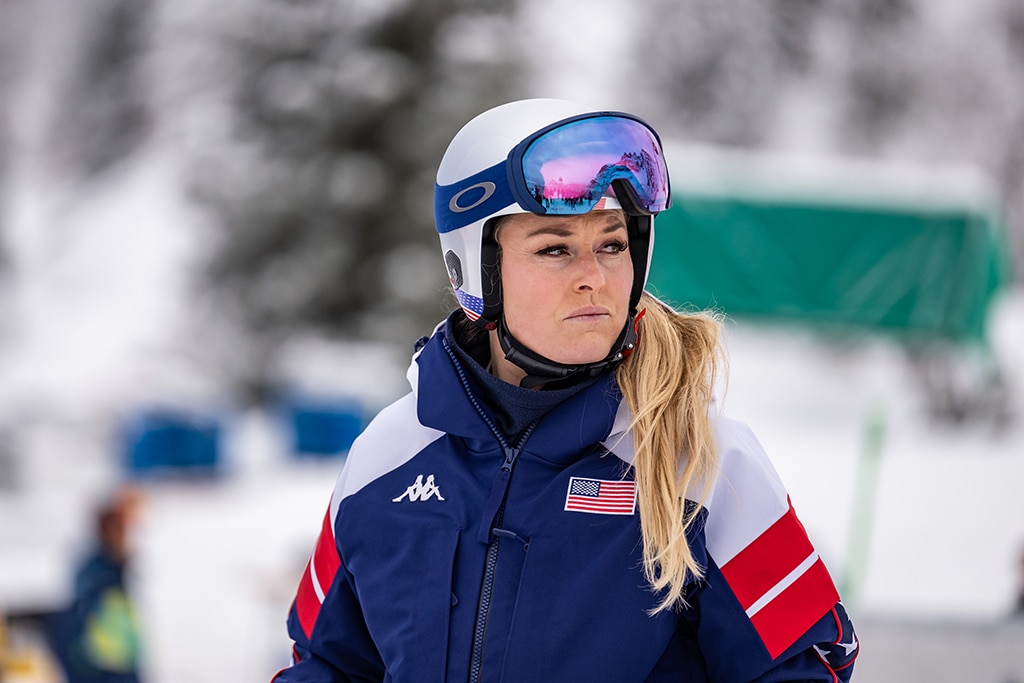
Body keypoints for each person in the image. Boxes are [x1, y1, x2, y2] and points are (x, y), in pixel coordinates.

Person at [273, 98, 858, 682]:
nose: (594, 278)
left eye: (613, 245)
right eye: (555, 249)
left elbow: (800, 670)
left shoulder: (702, 463)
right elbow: (328, 665)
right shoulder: (388, 457)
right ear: (473, 270)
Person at [48, 488, 144, 683]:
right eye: (121, 530)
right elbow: (78, 620)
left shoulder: (114, 570)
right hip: (101, 667)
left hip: (121, 663)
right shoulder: (97, 572)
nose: (126, 538)